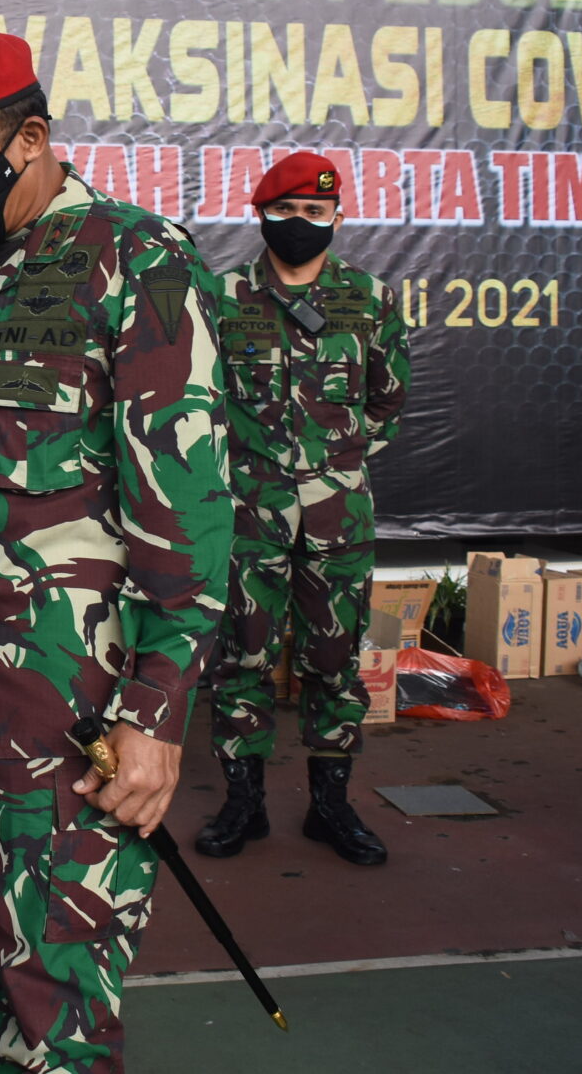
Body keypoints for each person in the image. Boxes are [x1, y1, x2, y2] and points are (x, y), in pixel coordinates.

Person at [0, 30, 231, 1073]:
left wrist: (158, 714)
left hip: (70, 711)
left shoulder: (135, 260)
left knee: (54, 1005)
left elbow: (187, 511)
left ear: (28, 139)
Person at [197, 151, 411, 867]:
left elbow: (388, 399)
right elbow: (199, 403)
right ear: (261, 215)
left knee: (335, 664)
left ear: (338, 217)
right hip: (247, 513)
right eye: (285, 211)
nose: (300, 224)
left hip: (337, 516)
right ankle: (243, 804)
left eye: (314, 213)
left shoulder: (370, 299)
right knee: (241, 659)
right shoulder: (221, 297)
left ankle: (331, 806)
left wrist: (336, 459)